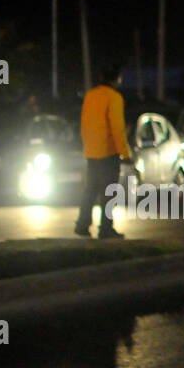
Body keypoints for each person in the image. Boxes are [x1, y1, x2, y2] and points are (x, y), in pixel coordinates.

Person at [76, 64, 133, 238]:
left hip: (91, 151)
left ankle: (82, 225)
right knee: (109, 192)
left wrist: (87, 146)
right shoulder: (114, 97)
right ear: (117, 79)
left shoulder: (90, 95)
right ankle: (106, 228)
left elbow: (84, 123)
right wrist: (125, 153)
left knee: (90, 189)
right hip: (108, 152)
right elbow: (117, 128)